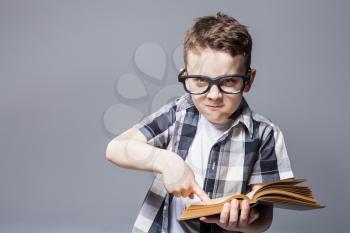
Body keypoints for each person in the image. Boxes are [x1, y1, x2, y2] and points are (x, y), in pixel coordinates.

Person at [106, 12, 294, 233]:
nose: (214, 95)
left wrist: (244, 222)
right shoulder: (178, 113)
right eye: (200, 81)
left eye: (229, 81)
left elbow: (264, 218)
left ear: (248, 81)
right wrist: (166, 161)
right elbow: (115, 148)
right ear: (185, 75)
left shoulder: (265, 135)